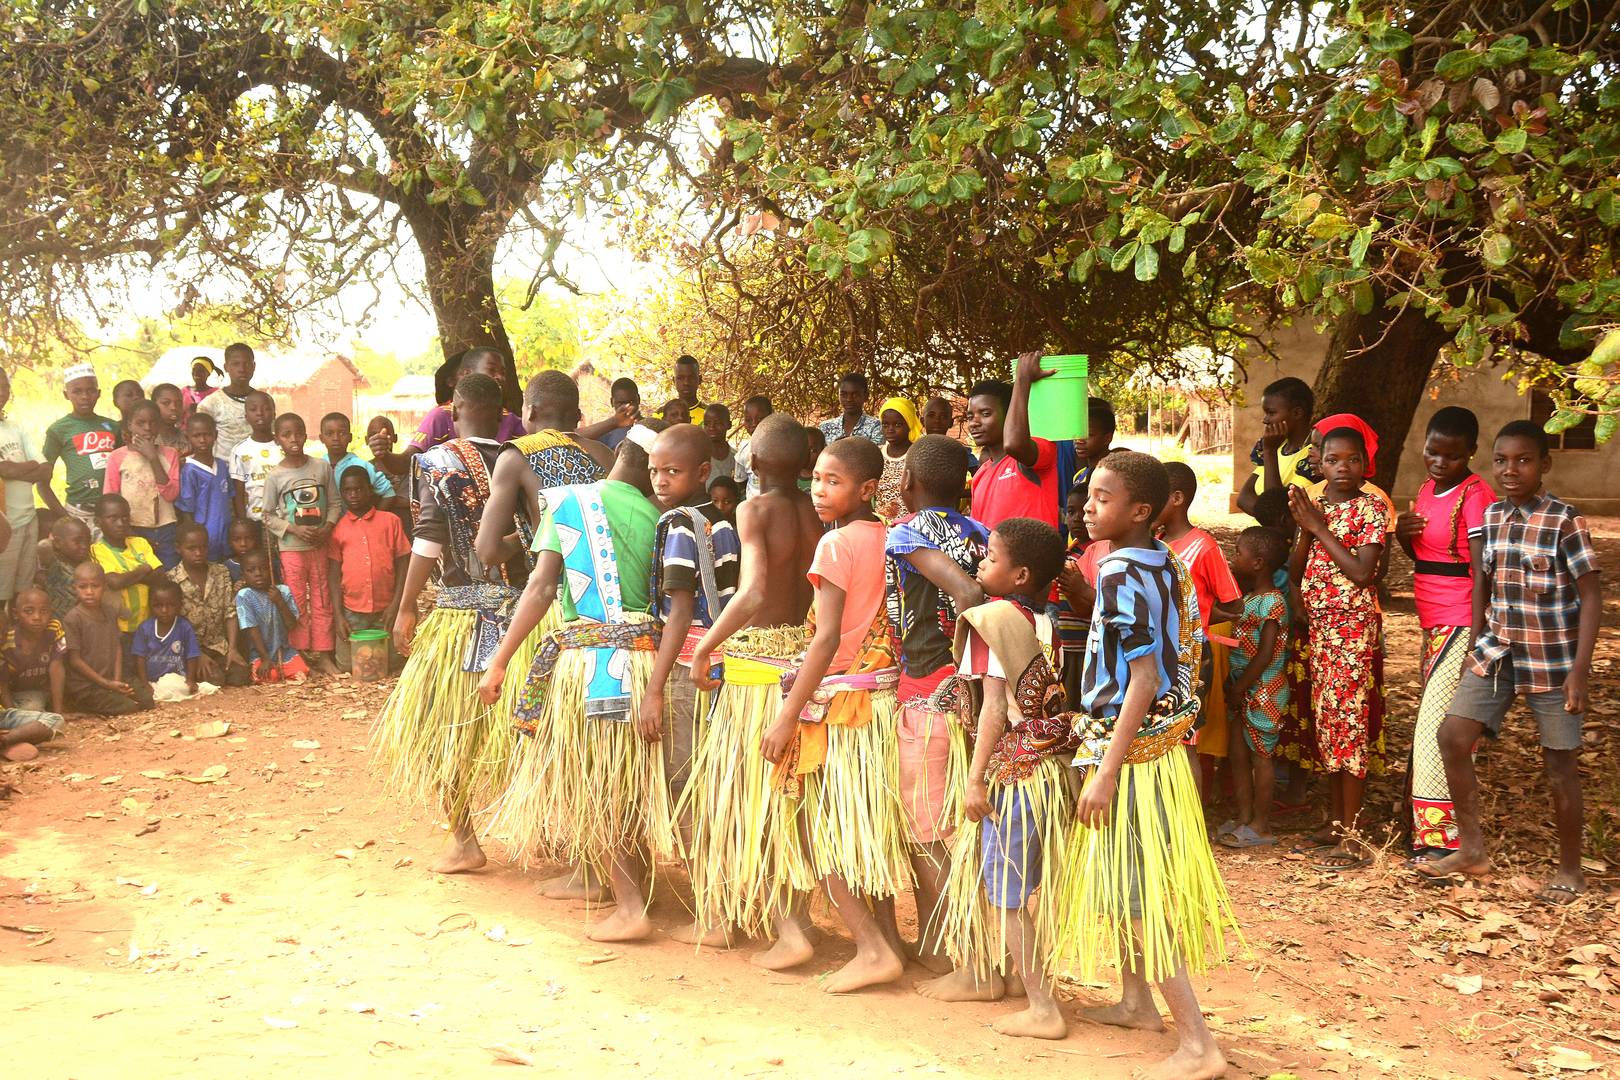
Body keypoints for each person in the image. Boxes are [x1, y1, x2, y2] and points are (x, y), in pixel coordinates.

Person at [1051, 450, 1232, 1080]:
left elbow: (1145, 676)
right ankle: (1136, 1002)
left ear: (1140, 511)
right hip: (1152, 746)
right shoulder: (1159, 559)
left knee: (1139, 895)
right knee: (1130, 881)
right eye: (1089, 495)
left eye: (1102, 498)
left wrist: (1106, 769)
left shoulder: (1121, 571)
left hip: (1134, 753)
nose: (1088, 507)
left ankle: (1198, 1045)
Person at [479, 440, 663, 942]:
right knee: (626, 777)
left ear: (616, 457)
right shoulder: (661, 515)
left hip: (594, 662)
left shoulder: (569, 503)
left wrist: (500, 661)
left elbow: (540, 588)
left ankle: (629, 906)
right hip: (647, 660)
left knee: (600, 781)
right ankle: (607, 882)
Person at [1417, 421, 1600, 905]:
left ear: (1545, 465)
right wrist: (1473, 648)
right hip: (1498, 651)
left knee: (1559, 763)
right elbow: (1484, 585)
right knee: (1452, 735)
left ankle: (1569, 871)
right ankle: (1472, 849)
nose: (1510, 470)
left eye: (1523, 460)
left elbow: (1592, 596)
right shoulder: (1492, 516)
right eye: (1501, 461)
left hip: (1553, 659)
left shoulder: (1565, 520)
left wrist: (1579, 673)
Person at [764, 435, 909, 994]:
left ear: (867, 488)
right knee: (865, 829)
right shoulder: (892, 538)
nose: (819, 490)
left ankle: (872, 950)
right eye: (816, 479)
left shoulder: (835, 546)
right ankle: (890, 941)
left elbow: (824, 640)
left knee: (822, 830)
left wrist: (786, 716)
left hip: (841, 708)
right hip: (880, 702)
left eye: (833, 481)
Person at [371, 373, 528, 875]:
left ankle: (464, 839)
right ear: (502, 412)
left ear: (454, 407)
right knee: (530, 727)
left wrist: (406, 604)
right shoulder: (525, 459)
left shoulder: (435, 463)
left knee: (445, 730)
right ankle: (550, 836)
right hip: (526, 614)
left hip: (460, 616)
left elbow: (428, 540)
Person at [683, 415, 821, 962]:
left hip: (757, 675)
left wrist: (705, 644)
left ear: (755, 464)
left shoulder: (752, 509)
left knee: (744, 799)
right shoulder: (820, 512)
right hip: (804, 671)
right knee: (790, 802)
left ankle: (780, 930)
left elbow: (755, 590)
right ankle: (791, 921)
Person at [933, 517, 1076, 1036]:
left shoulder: (991, 620)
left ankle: (1043, 1008)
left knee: (1007, 895)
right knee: (1016, 887)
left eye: (990, 559)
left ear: (1018, 575)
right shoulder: (1045, 620)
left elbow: (994, 708)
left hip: (1013, 772)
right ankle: (1023, 982)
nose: (979, 564)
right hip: (1046, 770)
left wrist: (974, 779)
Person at [883, 435, 987, 982]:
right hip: (967, 695)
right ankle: (943, 941)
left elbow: (968, 595)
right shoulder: (981, 533)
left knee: (926, 830)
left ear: (909, 485)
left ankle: (948, 949)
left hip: (929, 693)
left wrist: (953, 659)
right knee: (950, 828)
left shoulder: (905, 534)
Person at [639, 424, 741, 944]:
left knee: (686, 784)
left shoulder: (679, 527)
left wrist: (655, 689)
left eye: (672, 471)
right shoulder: (722, 524)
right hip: (722, 667)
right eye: (655, 470)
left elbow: (678, 614)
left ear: (704, 472)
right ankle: (729, 902)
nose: (660, 480)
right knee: (712, 781)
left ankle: (715, 911)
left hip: (685, 667)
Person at [1287, 426, 1387, 870]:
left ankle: (1353, 836)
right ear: (1319, 464)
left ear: (1364, 465)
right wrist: (1307, 528)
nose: (1342, 468)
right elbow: (1294, 567)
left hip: (1351, 628)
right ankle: (1336, 823)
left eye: (1352, 460)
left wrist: (1319, 528)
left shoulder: (1371, 508)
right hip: (1321, 628)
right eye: (1333, 460)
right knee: (1328, 724)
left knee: (1347, 726)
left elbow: (1363, 573)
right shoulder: (1316, 503)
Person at [1395, 407, 1492, 859]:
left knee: (1438, 727)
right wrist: (1401, 531)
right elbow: (1422, 555)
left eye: (1450, 456)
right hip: (1431, 619)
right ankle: (1423, 829)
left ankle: (1441, 840)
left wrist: (1476, 634)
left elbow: (1480, 570)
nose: (1438, 462)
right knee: (1434, 724)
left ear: (1470, 453)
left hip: (1460, 619)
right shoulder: (1428, 489)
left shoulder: (1476, 496)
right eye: (1432, 452)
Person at [473, 370, 610, 594]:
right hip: (608, 591)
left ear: (532, 411)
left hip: (552, 597)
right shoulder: (605, 454)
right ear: (577, 415)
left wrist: (531, 537)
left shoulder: (516, 455)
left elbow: (487, 551)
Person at [1157, 461, 1242, 788]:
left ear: (1177, 498)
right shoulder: (1156, 543)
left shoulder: (1204, 546)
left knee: (1186, 741)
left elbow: (1233, 604)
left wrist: (1199, 617)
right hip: (1157, 652)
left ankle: (1189, 818)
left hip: (1190, 657)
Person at [1217, 526, 1291, 850]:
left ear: (1258, 562)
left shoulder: (1273, 603)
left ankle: (1261, 824)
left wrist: (1240, 686)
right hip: (1243, 689)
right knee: (1237, 753)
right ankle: (1244, 817)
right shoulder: (1250, 599)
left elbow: (1265, 654)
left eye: (1238, 553)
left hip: (1263, 691)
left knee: (1261, 756)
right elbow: (1239, 640)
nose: (1234, 559)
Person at [262, 413, 341, 676]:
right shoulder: (275, 476)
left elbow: (334, 503)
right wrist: (293, 529)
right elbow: (268, 515)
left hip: (320, 545)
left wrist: (327, 528)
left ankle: (324, 654)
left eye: (298, 433)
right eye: (286, 435)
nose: (293, 439)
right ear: (277, 440)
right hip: (292, 549)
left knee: (322, 599)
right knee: (296, 601)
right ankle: (301, 657)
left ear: (306, 435)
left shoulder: (321, 467)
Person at [369, 348, 526, 477]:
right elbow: (407, 463)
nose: (499, 377)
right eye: (492, 370)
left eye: (503, 372)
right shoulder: (440, 416)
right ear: (466, 374)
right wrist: (385, 455)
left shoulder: (510, 419)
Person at [967, 354, 1059, 529]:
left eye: (986, 414)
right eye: (970, 416)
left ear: (1009, 414)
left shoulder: (1040, 449)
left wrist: (1023, 379)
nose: (974, 422)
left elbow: (1014, 444)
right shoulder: (980, 475)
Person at [328, 466, 410, 643]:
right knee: (348, 664)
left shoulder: (390, 521)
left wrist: (397, 605)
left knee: (395, 660)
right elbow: (334, 576)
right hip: (353, 612)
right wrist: (339, 616)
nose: (353, 495)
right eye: (348, 490)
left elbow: (404, 565)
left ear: (370, 490)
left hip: (388, 607)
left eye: (359, 489)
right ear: (341, 493)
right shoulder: (338, 529)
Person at [62, 562, 153, 714]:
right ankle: (82, 704)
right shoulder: (73, 618)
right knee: (129, 707)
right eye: (83, 587)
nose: (89, 592)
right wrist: (106, 684)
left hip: (111, 678)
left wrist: (116, 681)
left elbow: (116, 646)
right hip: (87, 685)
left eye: (95, 586)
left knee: (147, 700)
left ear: (104, 587)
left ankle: (114, 693)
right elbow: (74, 660)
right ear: (74, 588)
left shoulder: (110, 611)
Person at [43, 364, 121, 537]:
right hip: (78, 512)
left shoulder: (113, 427)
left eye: (91, 390)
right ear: (66, 394)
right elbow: (42, 482)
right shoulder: (59, 430)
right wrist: (65, 518)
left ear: (99, 393)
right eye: (77, 391)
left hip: (113, 513)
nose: (85, 397)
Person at [103, 400, 183, 568]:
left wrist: (153, 458)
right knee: (141, 575)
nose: (147, 428)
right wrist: (130, 533)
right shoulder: (117, 457)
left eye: (153, 422)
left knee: (168, 574)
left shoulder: (170, 454)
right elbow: (111, 500)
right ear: (129, 425)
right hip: (132, 528)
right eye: (141, 423)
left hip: (165, 528)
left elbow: (171, 494)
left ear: (159, 425)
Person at [169, 522, 249, 687]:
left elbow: (230, 612)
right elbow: (173, 624)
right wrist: (196, 654)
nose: (198, 553)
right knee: (214, 679)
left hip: (218, 645)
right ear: (178, 548)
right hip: (189, 648)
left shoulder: (221, 572)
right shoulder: (171, 580)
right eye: (192, 548)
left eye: (203, 547)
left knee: (241, 676)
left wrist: (232, 649)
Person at [0, 368, 49, 612]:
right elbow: (5, 471)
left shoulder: (15, 428)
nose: (0, 393)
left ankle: (14, 642)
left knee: (22, 590)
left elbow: (45, 469)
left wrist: (13, 469)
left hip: (28, 519)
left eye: (3, 386)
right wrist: (26, 467)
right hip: (4, 526)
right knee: (1, 593)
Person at [1, 588, 67, 760]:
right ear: (16, 614)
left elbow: (56, 667)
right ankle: (11, 739)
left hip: (35, 693)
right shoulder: (7, 640)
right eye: (29, 611)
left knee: (54, 719)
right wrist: (12, 711)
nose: (37, 617)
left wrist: (59, 711)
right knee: (33, 711)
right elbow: (4, 686)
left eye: (43, 611)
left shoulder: (53, 628)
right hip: (17, 698)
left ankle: (7, 739)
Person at [1236, 376, 1317, 518]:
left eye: (1271, 413)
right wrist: (1268, 517)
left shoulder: (1313, 456)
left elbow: (1276, 509)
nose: (1265, 420)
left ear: (1297, 413)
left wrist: (1270, 452)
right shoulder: (1275, 446)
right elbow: (1243, 498)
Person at [91, 493, 163, 637]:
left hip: (148, 623)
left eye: (125, 517)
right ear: (98, 522)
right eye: (113, 518)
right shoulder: (96, 550)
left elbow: (160, 576)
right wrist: (144, 568)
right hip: (119, 628)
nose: (121, 523)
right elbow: (115, 582)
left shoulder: (140, 543)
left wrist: (127, 577)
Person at [234, 548, 306, 683]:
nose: (258, 574)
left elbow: (292, 625)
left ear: (271, 569)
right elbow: (252, 630)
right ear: (243, 575)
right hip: (260, 652)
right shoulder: (245, 595)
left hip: (283, 651)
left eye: (263, 569)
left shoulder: (282, 591)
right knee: (267, 677)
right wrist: (265, 658)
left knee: (301, 672)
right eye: (251, 570)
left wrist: (280, 602)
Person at [1054, 397, 1119, 535]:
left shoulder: (1114, 474)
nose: (1079, 440)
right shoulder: (1079, 475)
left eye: (1088, 435)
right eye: (1076, 434)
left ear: (1107, 437)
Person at [175, 412, 233, 562]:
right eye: (196, 436)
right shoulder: (189, 470)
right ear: (188, 437)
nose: (202, 440)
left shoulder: (221, 465)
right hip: (204, 538)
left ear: (215, 435)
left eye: (207, 435)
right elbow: (186, 510)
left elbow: (229, 498)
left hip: (225, 533)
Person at [130, 578, 202, 697]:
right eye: (158, 606)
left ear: (180, 604)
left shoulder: (184, 627)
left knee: (181, 690)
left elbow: (192, 655)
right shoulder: (145, 628)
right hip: (152, 681)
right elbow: (140, 657)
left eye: (170, 605)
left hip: (177, 680)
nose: (164, 610)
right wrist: (144, 683)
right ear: (150, 606)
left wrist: (190, 679)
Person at [319, 412, 404, 513]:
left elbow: (389, 494)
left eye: (342, 433)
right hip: (326, 527)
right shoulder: (318, 466)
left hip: (355, 526)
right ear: (321, 438)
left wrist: (372, 520)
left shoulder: (362, 466)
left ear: (350, 437)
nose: (336, 438)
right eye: (329, 434)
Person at [196, 342, 259, 459]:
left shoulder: (263, 401)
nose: (242, 369)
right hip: (225, 471)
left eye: (247, 364)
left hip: (258, 469)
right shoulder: (210, 404)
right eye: (236, 364)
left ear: (254, 366)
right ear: (226, 367)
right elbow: (201, 440)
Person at [229, 390, 279, 522]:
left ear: (274, 415)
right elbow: (238, 494)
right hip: (255, 519)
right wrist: (243, 521)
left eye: (266, 409)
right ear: (246, 416)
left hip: (286, 520)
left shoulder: (284, 446)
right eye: (253, 409)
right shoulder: (239, 451)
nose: (259, 413)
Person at [875, 396, 921, 520]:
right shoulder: (877, 454)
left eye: (897, 424)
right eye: (885, 424)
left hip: (909, 525)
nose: (890, 429)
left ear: (909, 424)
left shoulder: (918, 454)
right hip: (880, 525)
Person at [41, 517, 92, 620]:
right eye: (77, 541)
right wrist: (52, 542)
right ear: (58, 543)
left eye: (87, 540)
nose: (84, 546)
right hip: (58, 625)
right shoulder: (55, 564)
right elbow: (42, 546)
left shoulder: (88, 563)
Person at [817, 371, 884, 445]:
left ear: (866, 396)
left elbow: (875, 454)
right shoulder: (825, 427)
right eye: (844, 394)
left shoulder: (876, 426)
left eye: (855, 395)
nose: (849, 399)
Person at [577, 377, 641, 450]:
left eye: (631, 402)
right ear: (612, 402)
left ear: (638, 399)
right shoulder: (604, 432)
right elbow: (573, 438)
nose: (626, 407)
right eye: (620, 403)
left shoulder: (651, 427)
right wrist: (615, 422)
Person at [733, 394, 772, 497]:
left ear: (771, 417)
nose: (754, 424)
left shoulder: (782, 448)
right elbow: (740, 483)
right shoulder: (743, 452)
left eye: (760, 419)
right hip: (754, 509)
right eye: (748, 420)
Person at [151, 383, 189, 452]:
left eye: (178, 403)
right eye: (166, 403)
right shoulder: (148, 440)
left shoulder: (187, 438)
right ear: (153, 405)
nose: (174, 407)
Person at [704, 402, 737, 481]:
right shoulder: (699, 457)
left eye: (718, 423)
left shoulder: (736, 457)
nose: (711, 427)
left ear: (729, 425)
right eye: (707, 423)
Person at [672, 354, 706, 427]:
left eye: (691, 377)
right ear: (674, 381)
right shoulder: (660, 415)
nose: (686, 383)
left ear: (699, 380)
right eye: (680, 378)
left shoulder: (709, 415)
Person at [225, 518, 261, 583]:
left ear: (255, 539)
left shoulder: (264, 563)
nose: (243, 544)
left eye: (248, 538)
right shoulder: (226, 568)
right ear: (230, 542)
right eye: (237, 539)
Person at [799, 427, 825, 492]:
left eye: (812, 450)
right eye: (802, 449)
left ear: (822, 450)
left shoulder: (824, 479)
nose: (806, 454)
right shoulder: (790, 477)